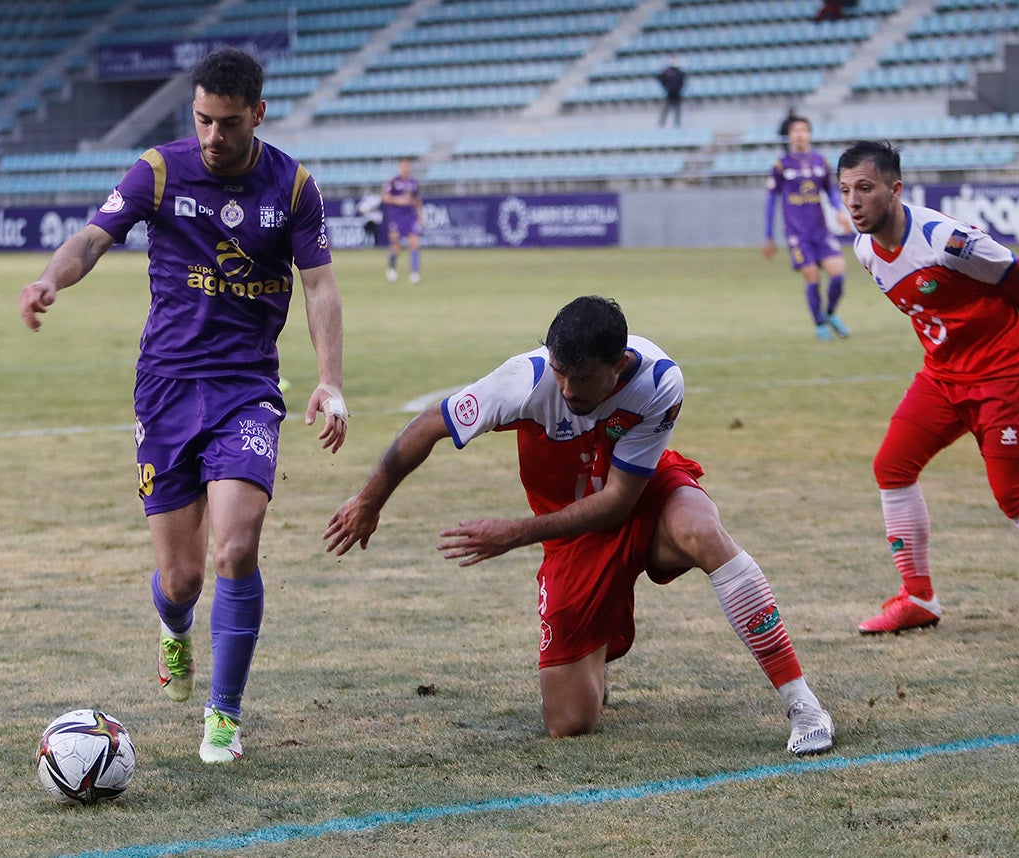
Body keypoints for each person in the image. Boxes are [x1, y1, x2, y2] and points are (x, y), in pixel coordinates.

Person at [18, 46, 349, 764]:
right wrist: (51, 279)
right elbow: (93, 238)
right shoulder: (159, 170)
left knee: (234, 547)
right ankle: (174, 630)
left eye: (227, 123)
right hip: (166, 389)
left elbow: (320, 285)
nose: (212, 136)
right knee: (183, 579)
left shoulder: (293, 187)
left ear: (257, 114)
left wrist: (329, 378)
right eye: (202, 119)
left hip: (247, 391)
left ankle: (223, 718)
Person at [325, 296, 835, 755]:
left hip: (636, 497)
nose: (566, 388)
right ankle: (600, 640)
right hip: (571, 539)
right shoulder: (524, 382)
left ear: (617, 367)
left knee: (702, 530)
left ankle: (803, 706)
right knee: (568, 723)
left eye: (582, 377)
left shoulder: (659, 382)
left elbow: (618, 501)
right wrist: (370, 501)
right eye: (559, 371)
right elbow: (430, 426)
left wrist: (517, 532)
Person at [836, 139, 1019, 634]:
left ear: (895, 189)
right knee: (892, 467)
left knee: (1012, 493)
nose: (854, 202)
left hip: (1005, 374)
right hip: (944, 375)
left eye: (865, 188)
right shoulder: (866, 249)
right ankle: (918, 598)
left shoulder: (947, 240)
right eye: (845, 190)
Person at [762, 116, 853, 341]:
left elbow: (831, 191)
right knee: (812, 277)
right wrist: (769, 236)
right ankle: (820, 325)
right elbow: (771, 201)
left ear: (810, 134)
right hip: (797, 234)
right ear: (790, 136)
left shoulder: (821, 162)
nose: (800, 134)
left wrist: (840, 210)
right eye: (796, 131)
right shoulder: (782, 165)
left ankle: (830, 313)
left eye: (804, 130)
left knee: (838, 274)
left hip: (821, 232)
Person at [382, 157, 423, 283]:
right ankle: (392, 268)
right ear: (400, 167)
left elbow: (417, 201)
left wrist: (421, 216)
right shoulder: (393, 182)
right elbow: (385, 198)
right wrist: (398, 200)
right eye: (403, 166)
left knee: (414, 243)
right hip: (397, 217)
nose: (405, 168)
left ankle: (415, 273)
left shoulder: (413, 183)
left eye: (407, 166)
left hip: (410, 217)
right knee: (396, 246)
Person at [656, 55, 685, 128]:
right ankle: (661, 124)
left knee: (677, 110)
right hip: (670, 93)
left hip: (677, 93)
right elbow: (660, 78)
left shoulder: (679, 72)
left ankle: (677, 125)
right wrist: (666, 87)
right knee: (666, 109)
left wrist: (679, 88)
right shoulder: (667, 72)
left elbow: (682, 81)